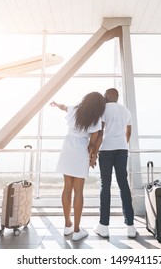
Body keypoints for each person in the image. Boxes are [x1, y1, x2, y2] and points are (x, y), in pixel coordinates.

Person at [51, 92, 106, 241]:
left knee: (67, 188)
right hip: (81, 149)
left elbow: (64, 107)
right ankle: (76, 231)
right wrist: (91, 157)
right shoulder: (95, 118)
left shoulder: (74, 109)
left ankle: (67, 225)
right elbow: (93, 143)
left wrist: (56, 104)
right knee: (79, 191)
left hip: (67, 146)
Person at [90, 88, 137, 238]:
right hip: (122, 150)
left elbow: (100, 132)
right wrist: (123, 143)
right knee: (123, 185)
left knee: (105, 185)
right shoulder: (126, 111)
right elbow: (128, 131)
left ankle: (103, 226)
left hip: (107, 150)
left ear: (109, 96)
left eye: (105, 95)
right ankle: (130, 227)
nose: (103, 97)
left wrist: (94, 153)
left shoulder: (103, 110)